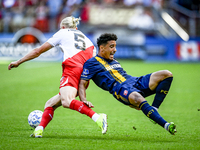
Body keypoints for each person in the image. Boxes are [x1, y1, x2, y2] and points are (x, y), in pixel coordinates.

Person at [8, 16, 107, 137]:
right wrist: (83, 97)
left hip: (72, 69)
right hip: (84, 74)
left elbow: (38, 51)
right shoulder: (88, 41)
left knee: (67, 101)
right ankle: (39, 130)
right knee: (50, 104)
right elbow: (92, 65)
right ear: (75, 27)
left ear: (63, 27)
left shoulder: (63, 32)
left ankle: (98, 117)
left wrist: (19, 61)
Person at [79, 33, 177, 135]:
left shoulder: (113, 60)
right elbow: (82, 83)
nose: (115, 50)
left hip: (134, 81)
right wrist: (84, 100)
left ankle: (154, 110)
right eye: (111, 47)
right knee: (137, 98)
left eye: (115, 46)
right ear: (102, 48)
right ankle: (166, 125)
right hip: (119, 88)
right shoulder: (91, 63)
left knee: (166, 74)